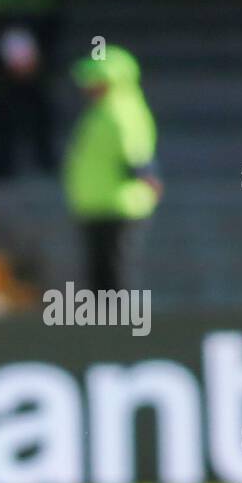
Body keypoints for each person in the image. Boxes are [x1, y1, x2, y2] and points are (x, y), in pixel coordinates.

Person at [63, 45, 160, 297]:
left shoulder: (120, 110)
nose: (89, 87)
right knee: (99, 275)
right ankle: (104, 330)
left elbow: (135, 154)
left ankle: (122, 331)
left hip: (119, 208)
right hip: (97, 206)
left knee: (116, 272)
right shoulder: (101, 111)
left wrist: (145, 177)